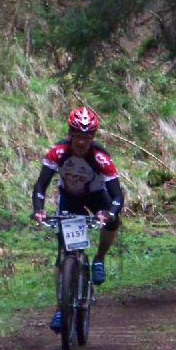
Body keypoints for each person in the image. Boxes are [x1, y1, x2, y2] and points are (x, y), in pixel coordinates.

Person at [32, 106, 124, 332]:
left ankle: (99, 259)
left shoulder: (100, 158)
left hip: (95, 196)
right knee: (62, 255)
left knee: (113, 221)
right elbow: (40, 185)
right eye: (77, 136)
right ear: (70, 134)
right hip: (69, 198)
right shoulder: (58, 153)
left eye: (87, 137)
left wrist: (109, 213)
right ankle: (60, 307)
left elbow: (117, 196)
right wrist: (39, 209)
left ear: (92, 137)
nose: (82, 142)